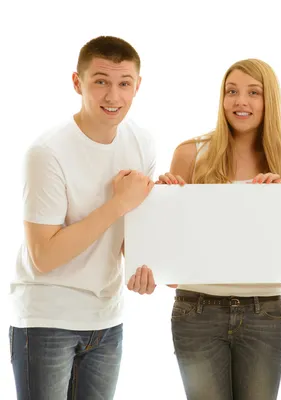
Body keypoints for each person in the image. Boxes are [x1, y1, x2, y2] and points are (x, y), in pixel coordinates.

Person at [128, 58, 281, 400]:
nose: (241, 101)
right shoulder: (191, 153)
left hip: (264, 310)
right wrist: (164, 200)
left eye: (254, 92)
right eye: (232, 91)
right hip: (196, 310)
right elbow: (172, 256)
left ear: (270, 101)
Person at [8, 36, 156, 400]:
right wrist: (117, 204)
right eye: (101, 81)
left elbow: (130, 236)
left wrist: (148, 267)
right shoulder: (47, 152)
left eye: (124, 84)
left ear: (138, 86)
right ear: (78, 82)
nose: (113, 96)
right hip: (47, 319)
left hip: (106, 319)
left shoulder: (142, 142)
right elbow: (44, 256)